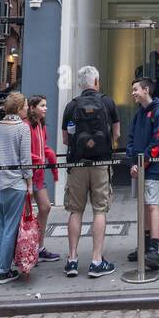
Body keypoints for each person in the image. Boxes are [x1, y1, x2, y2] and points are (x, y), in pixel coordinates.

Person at [60, 65, 120, 278]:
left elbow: (66, 139)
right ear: (96, 82)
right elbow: (116, 134)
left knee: (75, 210)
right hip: (101, 164)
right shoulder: (107, 102)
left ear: (80, 84)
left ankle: (73, 259)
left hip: (77, 164)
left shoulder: (71, 106)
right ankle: (96, 260)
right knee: (99, 210)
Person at [0, 92, 34, 285]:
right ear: (20, 108)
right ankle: (4, 270)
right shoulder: (22, 129)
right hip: (14, 184)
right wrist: (29, 183)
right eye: (26, 106)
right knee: (10, 228)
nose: (28, 109)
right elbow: (25, 161)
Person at [124, 77, 159, 271]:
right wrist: (133, 162)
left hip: (151, 168)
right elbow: (131, 138)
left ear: (146, 90)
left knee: (152, 205)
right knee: (144, 206)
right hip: (140, 167)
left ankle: (152, 249)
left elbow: (158, 141)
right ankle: (144, 247)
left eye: (135, 89)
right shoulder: (139, 114)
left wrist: (142, 164)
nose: (133, 92)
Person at [26, 94, 60, 263]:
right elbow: (25, 152)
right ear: (32, 108)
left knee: (45, 207)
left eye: (46, 105)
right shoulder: (26, 126)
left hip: (38, 176)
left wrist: (52, 164)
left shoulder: (41, 125)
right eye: (42, 105)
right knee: (25, 214)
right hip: (28, 176)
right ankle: (27, 248)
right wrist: (39, 159)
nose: (46, 108)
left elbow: (44, 148)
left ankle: (38, 247)